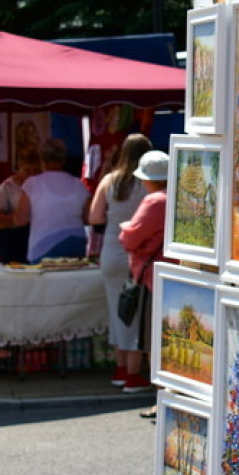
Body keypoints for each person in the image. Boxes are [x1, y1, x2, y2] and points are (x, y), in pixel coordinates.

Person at [87, 134, 152, 389]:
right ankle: (134, 373)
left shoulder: (109, 181)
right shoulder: (148, 183)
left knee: (117, 311)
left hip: (112, 252)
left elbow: (94, 217)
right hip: (138, 253)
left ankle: (121, 368)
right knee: (136, 314)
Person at [118, 149, 170, 397]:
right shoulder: (178, 197)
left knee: (153, 339)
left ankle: (159, 396)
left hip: (152, 278)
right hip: (174, 275)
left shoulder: (154, 201)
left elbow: (130, 238)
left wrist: (126, 229)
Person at [12, 138, 91, 264]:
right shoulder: (79, 184)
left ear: (42, 160)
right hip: (77, 243)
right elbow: (88, 218)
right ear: (64, 160)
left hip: (44, 247)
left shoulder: (32, 184)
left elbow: (20, 219)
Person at [0, 154, 41, 264]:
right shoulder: (7, 187)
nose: (32, 174)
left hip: (37, 237)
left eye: (36, 170)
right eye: (27, 170)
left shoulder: (42, 184)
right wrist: (17, 218)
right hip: (14, 239)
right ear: (19, 167)